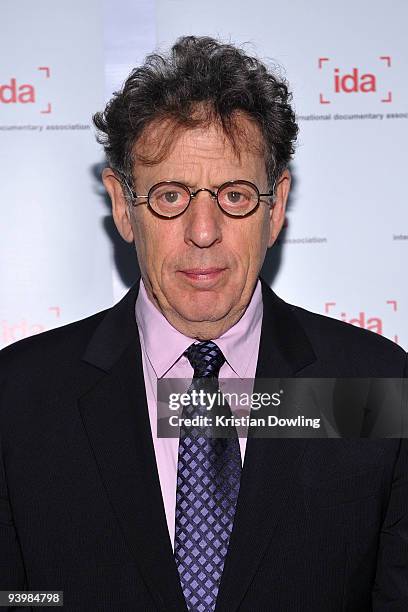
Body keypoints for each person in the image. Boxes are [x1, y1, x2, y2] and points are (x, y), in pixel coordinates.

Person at [0, 35, 407, 612]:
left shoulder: (376, 389)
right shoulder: (20, 397)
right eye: (171, 195)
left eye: (235, 195)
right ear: (123, 205)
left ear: (277, 206)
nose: (203, 230)